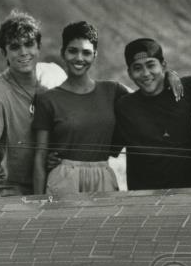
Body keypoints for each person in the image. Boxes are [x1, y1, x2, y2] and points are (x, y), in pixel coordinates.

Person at [0, 10, 66, 199]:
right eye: (15, 47)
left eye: (29, 44)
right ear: (4, 52)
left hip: (58, 180)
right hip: (16, 190)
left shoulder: (55, 74)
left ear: (38, 47)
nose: (23, 52)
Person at [31, 22, 127, 196]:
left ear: (95, 55)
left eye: (86, 52)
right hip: (63, 179)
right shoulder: (48, 99)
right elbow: (40, 157)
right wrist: (38, 203)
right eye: (73, 51)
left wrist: (168, 76)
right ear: (63, 53)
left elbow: (145, 103)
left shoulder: (113, 91)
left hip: (103, 177)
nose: (79, 58)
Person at [114, 38, 191, 190]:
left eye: (151, 65)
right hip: (144, 201)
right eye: (137, 68)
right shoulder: (124, 106)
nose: (145, 73)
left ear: (164, 65)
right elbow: (98, 135)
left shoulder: (187, 89)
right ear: (130, 73)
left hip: (189, 196)